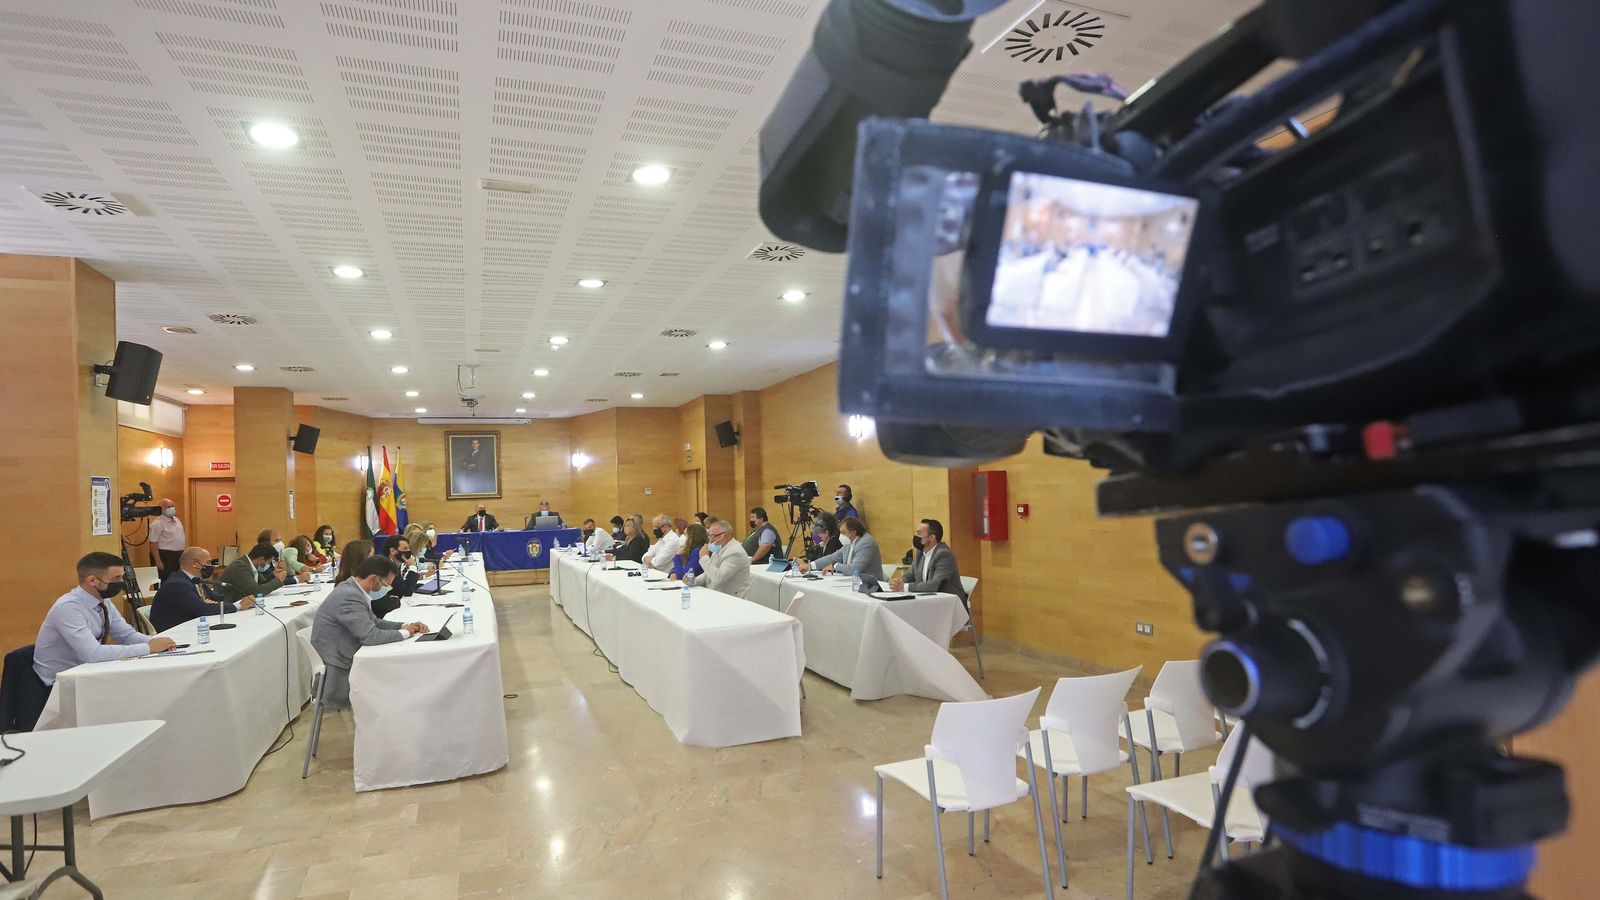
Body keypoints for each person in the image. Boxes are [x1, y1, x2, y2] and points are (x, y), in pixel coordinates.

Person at [34, 552, 176, 686]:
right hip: (60, 681)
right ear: (92, 580)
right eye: (116, 578)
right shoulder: (68, 608)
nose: (121, 582)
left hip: (87, 671)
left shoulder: (103, 601)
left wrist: (155, 642)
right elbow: (93, 653)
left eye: (122, 577)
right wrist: (148, 648)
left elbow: (126, 635)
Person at [309, 556, 429, 710]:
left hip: (343, 654)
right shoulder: (349, 595)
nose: (387, 589)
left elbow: (374, 621)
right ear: (374, 579)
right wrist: (405, 633)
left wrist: (405, 626)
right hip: (338, 669)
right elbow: (370, 636)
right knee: (401, 677)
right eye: (386, 585)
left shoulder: (352, 588)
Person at [149, 546, 253, 631]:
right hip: (175, 633)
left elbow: (216, 599)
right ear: (195, 564)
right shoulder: (177, 584)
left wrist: (211, 604)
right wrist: (237, 606)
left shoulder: (195, 580)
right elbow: (202, 610)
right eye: (208, 562)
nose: (211, 566)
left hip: (193, 627)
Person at [892, 518, 968, 601]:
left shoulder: (944, 554)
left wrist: (905, 587)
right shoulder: (920, 552)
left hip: (950, 601)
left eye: (919, 534)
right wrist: (899, 582)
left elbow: (934, 585)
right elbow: (910, 574)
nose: (916, 537)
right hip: (928, 599)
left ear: (932, 537)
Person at [798, 517, 882, 582]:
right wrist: (809, 566)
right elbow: (832, 557)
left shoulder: (866, 543)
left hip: (870, 586)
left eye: (843, 532)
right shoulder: (849, 542)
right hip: (853, 582)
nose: (840, 535)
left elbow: (854, 570)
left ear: (853, 532)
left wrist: (835, 566)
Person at [690, 518, 752, 597]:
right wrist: (693, 581)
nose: (711, 540)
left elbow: (718, 579)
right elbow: (709, 574)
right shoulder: (719, 547)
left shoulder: (735, 553)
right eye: (710, 536)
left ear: (725, 535)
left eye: (714, 536)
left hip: (730, 598)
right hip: (716, 594)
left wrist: (704, 557)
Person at [377, 535, 420, 615]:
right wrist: (413, 566)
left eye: (409, 548)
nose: (408, 551)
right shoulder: (386, 566)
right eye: (405, 549)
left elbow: (402, 584)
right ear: (392, 551)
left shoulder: (394, 563)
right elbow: (406, 591)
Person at [147, 498, 186, 578]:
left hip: (178, 555)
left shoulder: (177, 520)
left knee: (177, 578)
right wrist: (158, 561)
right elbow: (153, 543)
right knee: (166, 578)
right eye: (169, 507)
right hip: (165, 556)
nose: (172, 508)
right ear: (161, 509)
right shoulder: (157, 523)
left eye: (173, 506)